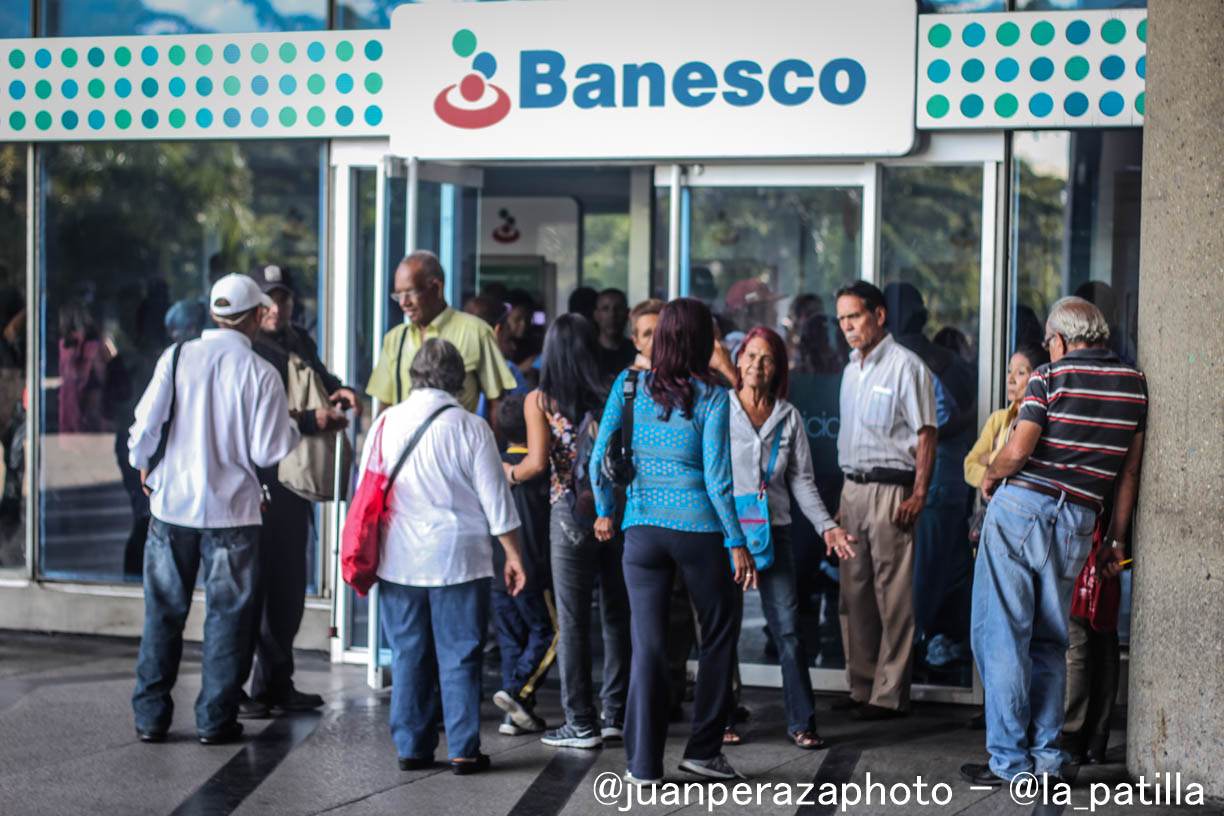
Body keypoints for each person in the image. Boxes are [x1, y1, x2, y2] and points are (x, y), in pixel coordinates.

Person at [960, 297, 1146, 786]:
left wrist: (990, 476)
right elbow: (1128, 472)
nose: (1048, 349)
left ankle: (1008, 760)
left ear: (1060, 340)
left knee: (1000, 638)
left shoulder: (1049, 376)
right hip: (1079, 524)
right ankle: (1045, 756)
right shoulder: (1135, 386)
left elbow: (1019, 449)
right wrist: (1115, 541)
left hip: (1021, 512)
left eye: (1049, 342)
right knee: (1050, 641)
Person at [127, 273, 299, 745]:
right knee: (227, 619)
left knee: (162, 612)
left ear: (215, 313)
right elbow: (268, 451)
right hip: (233, 516)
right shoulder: (261, 372)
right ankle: (214, 720)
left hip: (172, 507)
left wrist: (142, 465)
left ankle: (150, 718)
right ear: (254, 318)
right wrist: (295, 430)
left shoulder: (177, 355)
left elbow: (145, 425)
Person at [592, 297, 754, 784]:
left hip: (641, 532)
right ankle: (703, 751)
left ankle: (643, 766)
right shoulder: (713, 396)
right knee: (719, 631)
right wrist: (737, 541)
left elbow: (599, 460)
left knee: (648, 645)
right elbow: (718, 481)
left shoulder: (626, 386)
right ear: (703, 341)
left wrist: (605, 513)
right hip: (700, 531)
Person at [359, 338, 526, 775]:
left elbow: (366, 488)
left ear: (413, 375)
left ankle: (412, 748)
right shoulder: (471, 427)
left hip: (399, 558)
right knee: (460, 654)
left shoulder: (385, 422)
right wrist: (513, 555)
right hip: (459, 557)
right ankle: (464, 750)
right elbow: (497, 501)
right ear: (459, 381)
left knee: (408, 653)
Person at [237, 263, 360, 717]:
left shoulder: (299, 339)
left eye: (283, 297)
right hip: (259, 483)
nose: (276, 307)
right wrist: (312, 420)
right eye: (268, 299)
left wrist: (340, 391)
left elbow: (322, 380)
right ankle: (237, 690)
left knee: (288, 587)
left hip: (295, 486)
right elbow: (251, 415)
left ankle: (275, 683)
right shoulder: (247, 350)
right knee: (254, 588)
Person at [728, 327, 857, 749]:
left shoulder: (788, 418)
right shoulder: (720, 410)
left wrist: (827, 526)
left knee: (788, 629)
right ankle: (722, 716)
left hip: (774, 533)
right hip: (728, 537)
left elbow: (802, 482)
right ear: (738, 360)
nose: (755, 366)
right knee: (721, 630)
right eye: (749, 356)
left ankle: (802, 721)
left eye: (766, 359)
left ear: (778, 368)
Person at [506, 314, 629, 750]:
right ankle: (615, 715)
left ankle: (580, 721)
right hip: (615, 514)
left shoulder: (540, 400)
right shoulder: (616, 392)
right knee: (617, 615)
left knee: (574, 621)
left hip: (568, 516)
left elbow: (537, 464)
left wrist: (509, 473)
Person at [833, 280, 937, 720]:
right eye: (841, 319)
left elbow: (926, 432)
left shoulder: (906, 367)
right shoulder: (849, 370)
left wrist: (919, 492)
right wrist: (842, 501)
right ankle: (860, 686)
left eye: (854, 316)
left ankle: (889, 693)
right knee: (852, 592)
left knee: (892, 595)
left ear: (878, 315)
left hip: (893, 490)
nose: (847, 327)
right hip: (852, 490)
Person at [366, 250, 517, 414]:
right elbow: (385, 405)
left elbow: (496, 402)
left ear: (437, 288)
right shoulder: (395, 339)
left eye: (411, 292)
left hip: (456, 437)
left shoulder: (476, 332)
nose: (404, 302)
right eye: (398, 294)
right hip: (407, 439)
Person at [490, 393, 557, 737]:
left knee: (512, 640)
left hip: (497, 571)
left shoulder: (493, 466)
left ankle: (513, 716)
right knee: (550, 633)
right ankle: (518, 692)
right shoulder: (539, 470)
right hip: (532, 569)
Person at [963, 346, 1047, 490]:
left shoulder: (1044, 421)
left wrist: (990, 458)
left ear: (1037, 378)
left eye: (1020, 373)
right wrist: (997, 477)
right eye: (1009, 371)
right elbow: (969, 466)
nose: (1010, 379)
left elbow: (1025, 463)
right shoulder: (999, 418)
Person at [593, 288, 637, 381]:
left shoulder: (637, 353)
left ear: (627, 313)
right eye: (605, 309)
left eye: (619, 308)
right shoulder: (588, 354)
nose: (612, 314)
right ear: (596, 315)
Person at [628, 298, 663, 372]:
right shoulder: (625, 380)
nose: (655, 339)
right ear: (636, 342)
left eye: (660, 331)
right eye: (647, 334)